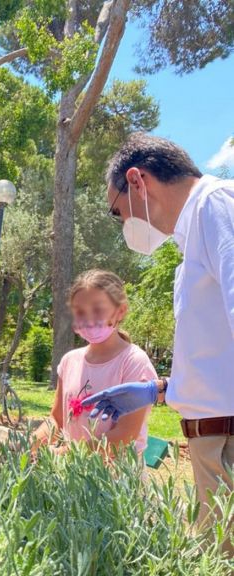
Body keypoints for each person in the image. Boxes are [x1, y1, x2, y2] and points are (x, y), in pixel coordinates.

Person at [84, 134, 233, 528]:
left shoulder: (215, 204)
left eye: (117, 212)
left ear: (137, 181)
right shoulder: (194, 233)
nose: (123, 223)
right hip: (214, 439)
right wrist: (162, 390)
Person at [34, 270, 157, 457]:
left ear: (120, 311)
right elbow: (57, 420)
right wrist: (26, 445)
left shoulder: (133, 361)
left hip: (114, 474)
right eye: (80, 312)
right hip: (71, 471)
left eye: (98, 309)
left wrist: (63, 454)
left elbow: (124, 436)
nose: (88, 318)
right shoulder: (69, 361)